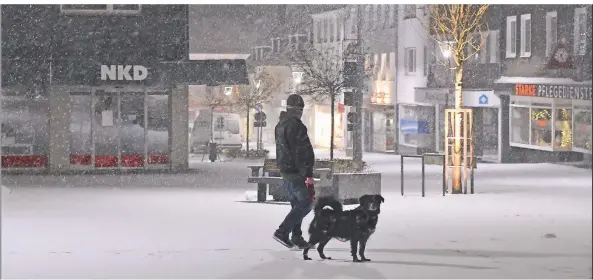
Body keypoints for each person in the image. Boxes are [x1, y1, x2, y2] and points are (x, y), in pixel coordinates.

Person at [272, 94, 316, 249]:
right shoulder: (296, 126)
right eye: (300, 110)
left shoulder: (280, 125)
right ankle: (282, 231)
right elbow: (302, 151)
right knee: (306, 203)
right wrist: (307, 173)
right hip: (296, 172)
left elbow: (283, 149)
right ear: (298, 110)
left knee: (297, 204)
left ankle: (296, 236)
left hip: (286, 170)